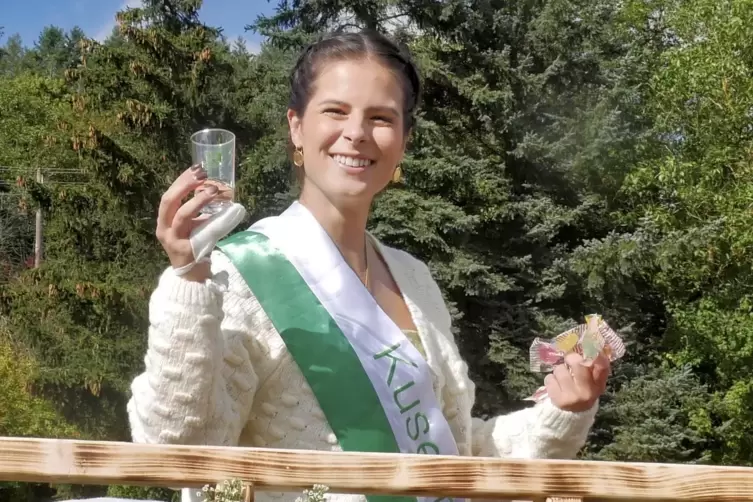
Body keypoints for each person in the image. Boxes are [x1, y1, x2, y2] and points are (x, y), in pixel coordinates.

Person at [128, 30, 610, 502]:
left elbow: (458, 459)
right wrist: (189, 276)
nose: (356, 133)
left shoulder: (414, 278)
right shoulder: (237, 274)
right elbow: (172, 451)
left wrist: (565, 411)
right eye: (335, 111)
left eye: (381, 117)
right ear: (296, 127)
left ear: (403, 140)